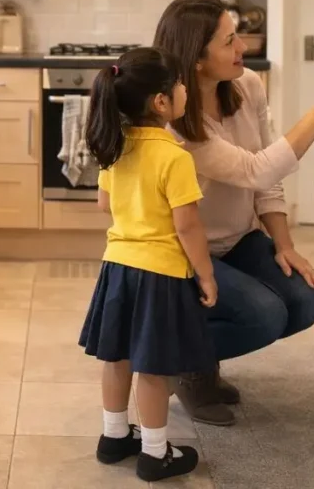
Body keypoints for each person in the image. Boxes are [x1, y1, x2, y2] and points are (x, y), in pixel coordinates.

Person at [152, 0, 314, 426]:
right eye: (229, 41)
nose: (242, 48)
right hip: (187, 253)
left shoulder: (247, 85)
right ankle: (177, 363)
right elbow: (256, 170)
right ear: (196, 59)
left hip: (237, 237)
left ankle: (195, 359)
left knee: (304, 303)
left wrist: (283, 244)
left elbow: (268, 172)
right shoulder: (179, 125)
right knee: (264, 314)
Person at [78, 47, 218, 482]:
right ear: (161, 102)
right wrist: (206, 274)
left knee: (116, 358)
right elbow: (188, 226)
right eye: (178, 86)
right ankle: (156, 454)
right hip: (160, 275)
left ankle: (114, 436)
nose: (183, 91)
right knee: (154, 367)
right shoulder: (175, 157)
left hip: (117, 268)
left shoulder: (115, 147)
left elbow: (105, 204)